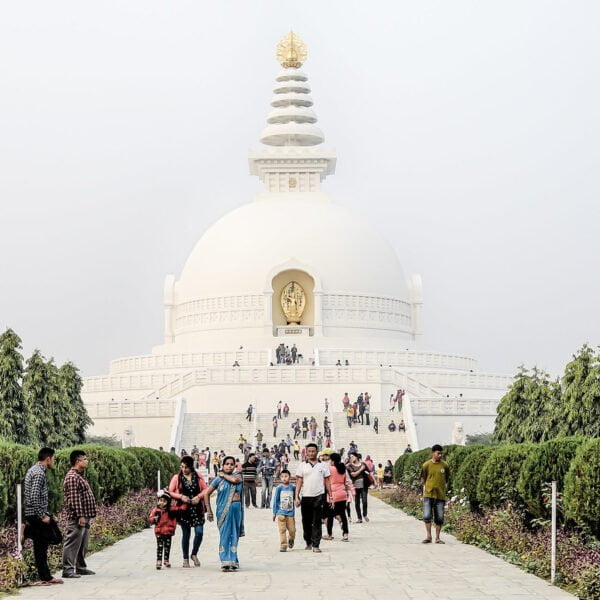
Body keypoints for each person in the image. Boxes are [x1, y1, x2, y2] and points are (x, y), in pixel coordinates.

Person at [23, 447, 63, 586]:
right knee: (54, 538)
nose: (54, 461)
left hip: (35, 514)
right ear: (48, 459)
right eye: (53, 459)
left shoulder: (34, 469)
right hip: (36, 514)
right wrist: (42, 516)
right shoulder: (39, 473)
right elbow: (33, 497)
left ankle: (46, 576)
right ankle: (28, 531)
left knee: (41, 546)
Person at [203, 456, 244, 571]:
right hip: (223, 511)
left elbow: (235, 481)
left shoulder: (237, 476)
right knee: (225, 534)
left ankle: (234, 559)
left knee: (234, 534)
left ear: (235, 466)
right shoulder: (218, 480)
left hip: (236, 511)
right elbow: (206, 494)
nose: (229, 466)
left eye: (232, 464)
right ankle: (225, 560)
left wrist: (223, 475)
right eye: (227, 464)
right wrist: (209, 510)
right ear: (223, 465)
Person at [169, 455, 210, 567]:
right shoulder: (177, 478)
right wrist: (181, 496)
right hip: (184, 509)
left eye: (186, 467)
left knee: (199, 532)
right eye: (182, 467)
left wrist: (198, 497)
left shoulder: (198, 476)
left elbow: (206, 489)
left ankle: (194, 554)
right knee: (186, 534)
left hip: (197, 509)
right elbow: (170, 492)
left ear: (191, 467)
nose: (184, 470)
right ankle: (185, 558)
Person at [62, 450, 97, 578]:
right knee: (73, 542)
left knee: (82, 543)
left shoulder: (80, 475)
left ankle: (81, 567)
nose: (87, 461)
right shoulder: (72, 476)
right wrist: (80, 516)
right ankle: (68, 569)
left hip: (85, 516)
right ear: (78, 461)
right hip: (78, 517)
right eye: (85, 459)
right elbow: (74, 498)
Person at [294, 443, 332, 553]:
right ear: (306, 452)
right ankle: (308, 542)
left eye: (313, 451)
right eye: (309, 451)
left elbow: (327, 481)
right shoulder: (302, 465)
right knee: (306, 521)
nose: (311, 453)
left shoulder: (323, 465)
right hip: (306, 496)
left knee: (317, 521)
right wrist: (296, 497)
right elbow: (299, 481)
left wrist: (331, 495)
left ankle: (316, 544)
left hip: (319, 496)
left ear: (317, 452)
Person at [421, 444, 449, 544]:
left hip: (440, 495)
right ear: (433, 453)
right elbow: (423, 479)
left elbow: (446, 479)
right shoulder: (426, 465)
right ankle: (429, 536)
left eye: (441, 453)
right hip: (428, 495)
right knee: (427, 516)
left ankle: (437, 537)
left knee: (439, 518)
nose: (440, 455)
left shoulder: (445, 465)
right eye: (438, 453)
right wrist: (424, 490)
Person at [324, 452, 351, 541]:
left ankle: (329, 534)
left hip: (333, 495)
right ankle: (345, 534)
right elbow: (346, 481)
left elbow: (325, 480)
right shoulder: (343, 468)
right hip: (342, 494)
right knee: (343, 514)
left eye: (330, 459)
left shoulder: (330, 469)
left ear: (332, 460)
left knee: (330, 515)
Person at [149, 490, 177, 569]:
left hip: (168, 531)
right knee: (160, 546)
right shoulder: (156, 510)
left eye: (164, 501)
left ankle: (166, 560)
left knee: (167, 546)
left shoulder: (171, 511)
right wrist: (154, 519)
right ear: (158, 501)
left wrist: (173, 529)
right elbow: (150, 519)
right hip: (159, 531)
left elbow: (174, 521)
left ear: (168, 502)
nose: (162, 503)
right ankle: (159, 561)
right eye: (160, 501)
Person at [272, 469, 296, 552]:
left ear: (290, 477)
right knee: (282, 530)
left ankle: (291, 539)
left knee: (292, 530)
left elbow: (296, 497)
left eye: (286, 476)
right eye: (282, 477)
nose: (284, 478)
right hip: (281, 512)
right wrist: (274, 513)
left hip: (290, 513)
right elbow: (275, 500)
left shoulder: (293, 487)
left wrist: (297, 501)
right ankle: (283, 545)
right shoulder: (279, 488)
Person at [347, 453, 369, 523]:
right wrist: (361, 469)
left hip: (364, 485)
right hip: (355, 486)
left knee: (364, 501)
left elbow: (369, 472)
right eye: (350, 457)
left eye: (352, 456)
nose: (351, 458)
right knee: (357, 502)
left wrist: (374, 481)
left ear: (356, 457)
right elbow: (353, 475)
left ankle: (365, 514)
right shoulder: (349, 466)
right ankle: (359, 518)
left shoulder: (363, 464)